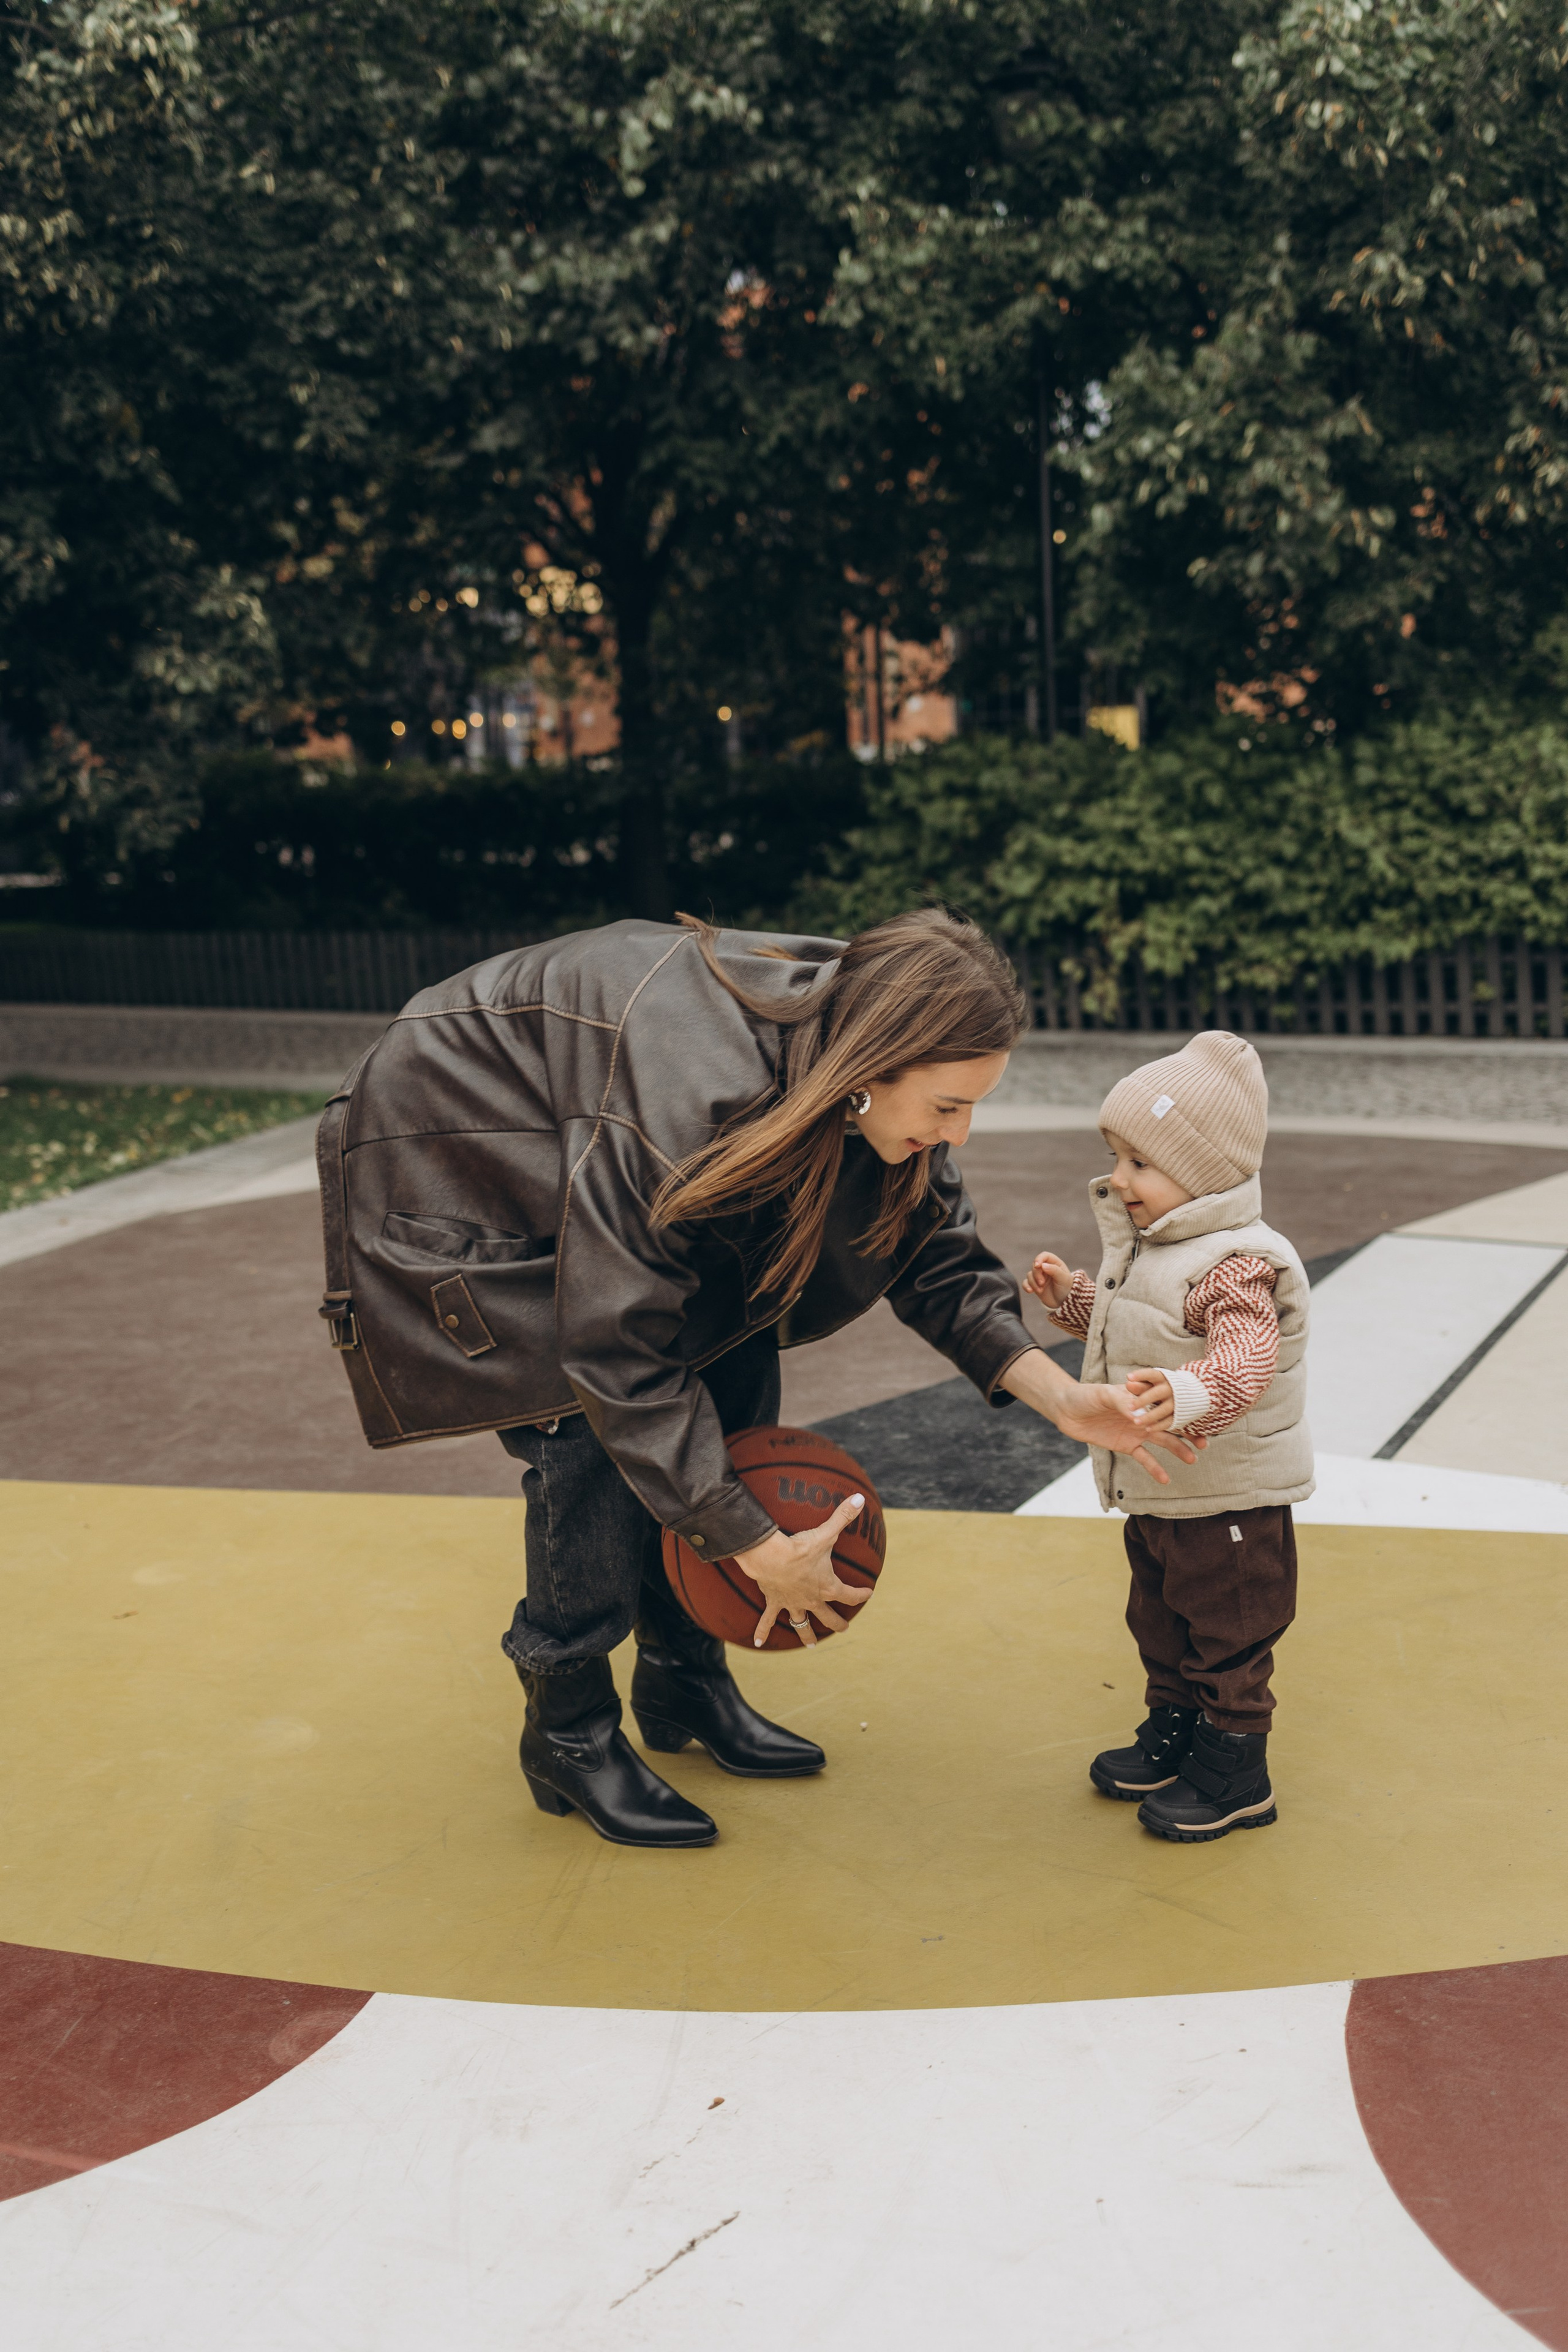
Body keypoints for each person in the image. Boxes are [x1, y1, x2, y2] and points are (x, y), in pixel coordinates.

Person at [318, 910, 1201, 1849]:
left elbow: (935, 1255)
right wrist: (747, 1538)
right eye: (948, 1107)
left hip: (606, 1121)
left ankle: (683, 1681)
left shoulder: (849, 1059)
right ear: (871, 1070)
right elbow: (616, 1350)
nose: (962, 1133)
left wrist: (1062, 1399)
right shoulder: (683, 1099)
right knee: (583, 1435)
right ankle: (568, 1731)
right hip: (456, 1142)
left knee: (732, 1364)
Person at [1025, 1029, 1314, 1843]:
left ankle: (1236, 1769)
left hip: (1229, 1499)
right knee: (1160, 1618)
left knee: (1228, 1631)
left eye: (1141, 1163)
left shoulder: (1238, 1263)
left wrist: (1189, 1395)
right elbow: (1137, 1329)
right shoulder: (1159, 1251)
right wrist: (1076, 1299)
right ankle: (1177, 1730)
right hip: (1168, 1492)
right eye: (1117, 1158)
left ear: (1205, 1171)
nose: (1119, 1179)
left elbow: (1245, 1359)